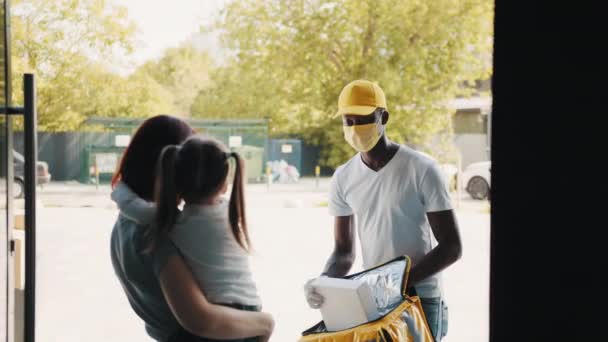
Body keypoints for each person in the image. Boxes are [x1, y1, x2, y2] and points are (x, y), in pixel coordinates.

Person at [304, 80, 462, 341]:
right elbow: (344, 252)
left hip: (421, 298)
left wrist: (398, 282)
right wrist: (324, 283)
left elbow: (452, 247)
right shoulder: (344, 177)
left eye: (363, 119)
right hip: (372, 299)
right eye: (348, 121)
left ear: (383, 116)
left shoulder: (422, 169)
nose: (355, 129)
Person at [110, 115, 274, 342]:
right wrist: (265, 323)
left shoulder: (128, 223)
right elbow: (201, 320)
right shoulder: (159, 229)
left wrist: (120, 191)